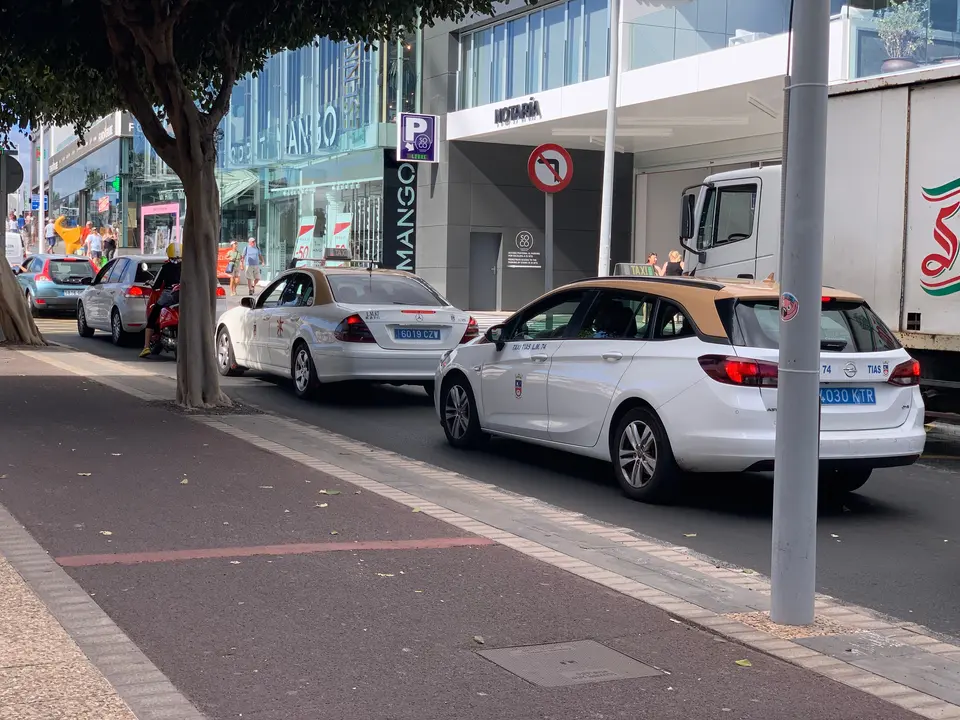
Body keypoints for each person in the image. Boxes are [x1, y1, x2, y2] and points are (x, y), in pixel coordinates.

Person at [140, 243, 182, 359]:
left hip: (169, 295)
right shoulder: (187, 266)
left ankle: (146, 346)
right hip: (185, 296)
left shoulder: (165, 267)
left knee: (152, 317)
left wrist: (151, 283)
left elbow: (156, 285)